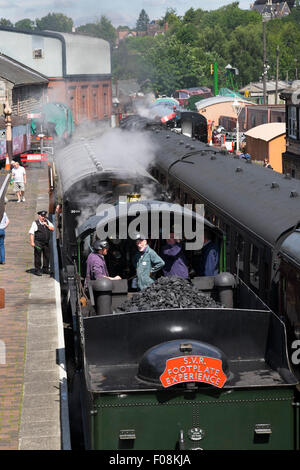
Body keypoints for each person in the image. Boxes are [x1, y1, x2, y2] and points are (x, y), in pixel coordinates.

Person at [29, 210, 54, 276]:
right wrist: (32, 242)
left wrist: (47, 225)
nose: (43, 217)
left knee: (47, 256)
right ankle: (38, 270)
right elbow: (31, 233)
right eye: (42, 216)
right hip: (38, 242)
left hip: (46, 243)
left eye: (44, 216)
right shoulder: (35, 223)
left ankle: (45, 269)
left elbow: (52, 228)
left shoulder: (47, 222)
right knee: (38, 256)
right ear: (39, 216)